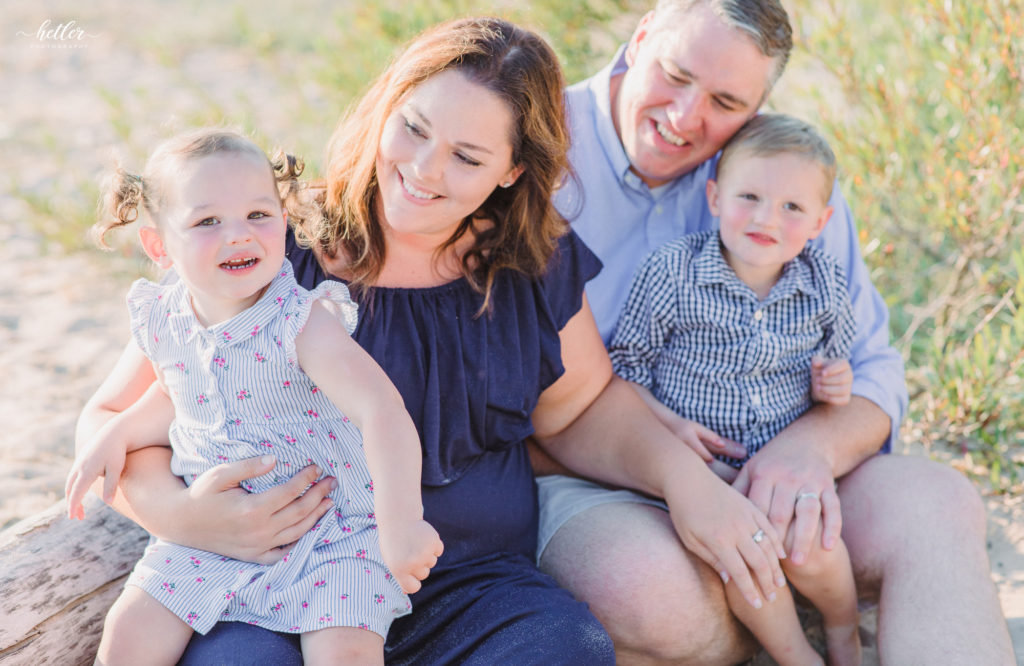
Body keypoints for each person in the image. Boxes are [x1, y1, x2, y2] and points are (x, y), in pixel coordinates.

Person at [74, 18, 791, 664]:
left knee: (565, 650)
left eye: (466, 157)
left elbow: (581, 407)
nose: (422, 170)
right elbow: (117, 416)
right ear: (386, 106)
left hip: (465, 583)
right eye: (413, 129)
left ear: (511, 171)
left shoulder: (528, 260)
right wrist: (180, 516)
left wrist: (683, 480)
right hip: (270, 577)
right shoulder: (267, 243)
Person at [536, 0, 1015, 663]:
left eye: (726, 101)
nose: (684, 118)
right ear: (640, 35)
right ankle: (787, 631)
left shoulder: (782, 173)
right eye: (674, 75)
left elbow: (873, 368)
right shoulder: (533, 145)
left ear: (760, 104)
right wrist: (677, 475)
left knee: (937, 507)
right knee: (652, 592)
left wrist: (809, 451)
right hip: (593, 475)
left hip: (769, 454)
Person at [64, 129, 444, 664]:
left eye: (258, 215)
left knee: (346, 652)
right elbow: (176, 397)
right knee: (128, 634)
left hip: (330, 535)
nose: (238, 235)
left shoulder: (300, 322)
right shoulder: (164, 317)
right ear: (159, 246)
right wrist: (115, 434)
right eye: (207, 221)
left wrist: (402, 519)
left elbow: (381, 410)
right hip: (212, 534)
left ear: (283, 222)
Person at [610, 113, 861, 666]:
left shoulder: (823, 282)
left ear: (819, 222)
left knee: (813, 544)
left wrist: (833, 385)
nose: (767, 218)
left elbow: (840, 364)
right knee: (745, 555)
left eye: (792, 207)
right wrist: (667, 427)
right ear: (715, 197)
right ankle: (795, 652)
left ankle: (844, 630)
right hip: (700, 467)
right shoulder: (672, 273)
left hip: (780, 458)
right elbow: (624, 368)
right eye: (750, 196)